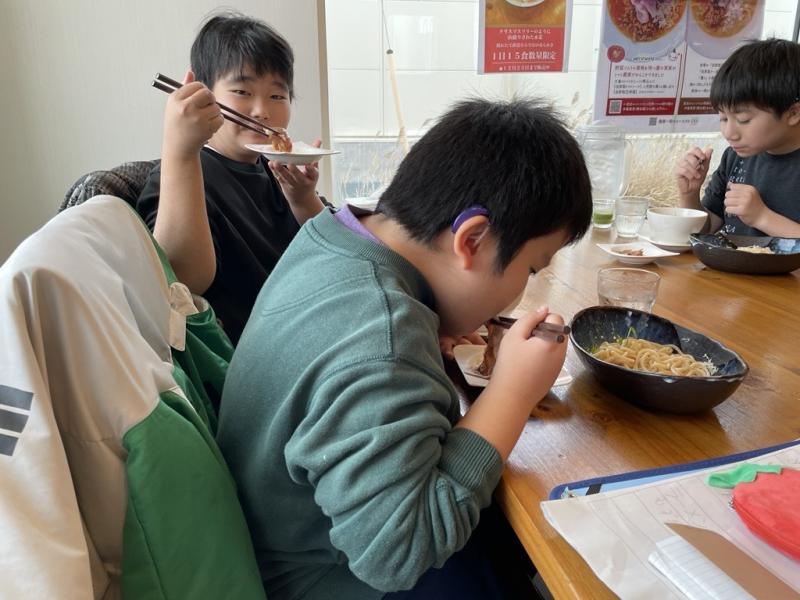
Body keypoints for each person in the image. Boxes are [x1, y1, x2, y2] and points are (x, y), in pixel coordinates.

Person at [216, 98, 592, 599]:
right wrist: (513, 393)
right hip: (326, 579)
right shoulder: (384, 340)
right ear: (472, 240)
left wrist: (427, 324)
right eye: (532, 268)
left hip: (278, 532)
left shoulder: (333, 234)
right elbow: (398, 554)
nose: (525, 287)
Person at [137, 11, 324, 345]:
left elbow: (336, 252)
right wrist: (181, 151)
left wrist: (304, 200)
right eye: (241, 91)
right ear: (203, 94)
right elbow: (182, 284)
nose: (261, 111)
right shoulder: (184, 173)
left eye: (277, 96)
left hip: (306, 330)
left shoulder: (280, 170)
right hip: (248, 352)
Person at [675, 38, 800, 237]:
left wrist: (762, 217)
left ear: (793, 113)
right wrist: (689, 195)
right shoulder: (735, 157)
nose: (728, 133)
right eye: (723, 118)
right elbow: (707, 229)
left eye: (743, 119)